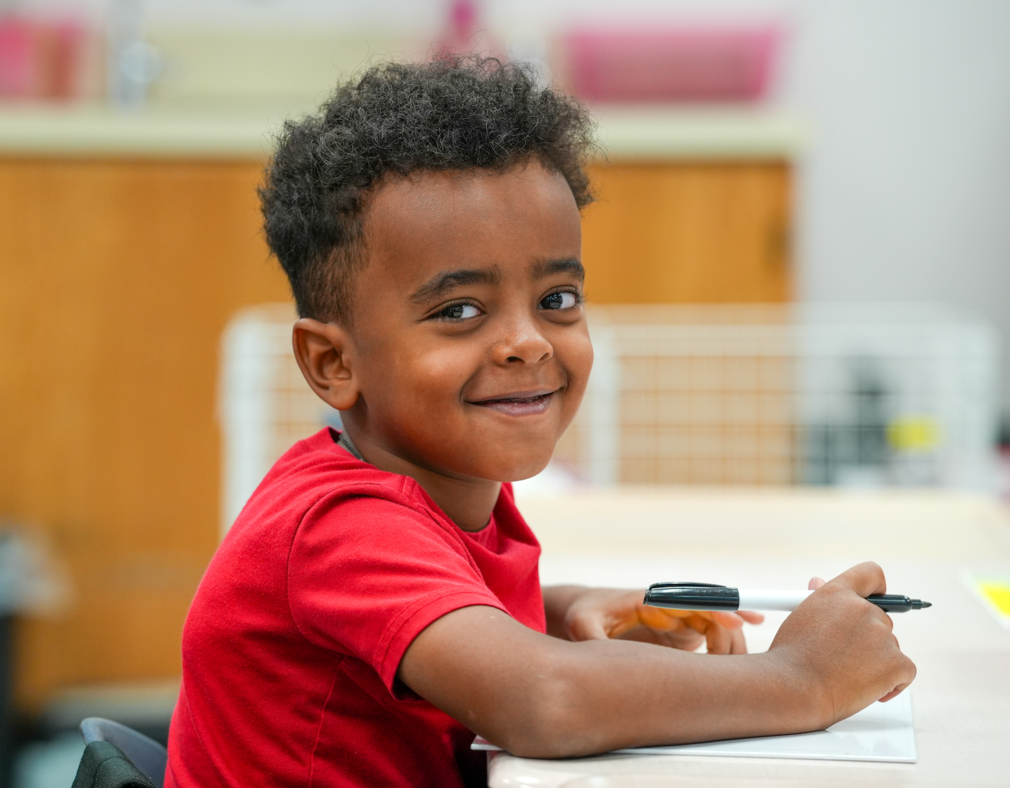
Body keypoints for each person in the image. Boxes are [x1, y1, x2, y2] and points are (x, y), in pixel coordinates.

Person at [165, 54, 915, 788]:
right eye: (459, 311)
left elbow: (444, 605)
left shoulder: (442, 482)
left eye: (557, 299)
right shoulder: (343, 526)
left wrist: (562, 609)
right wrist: (800, 679)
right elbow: (545, 701)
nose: (527, 342)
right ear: (333, 364)